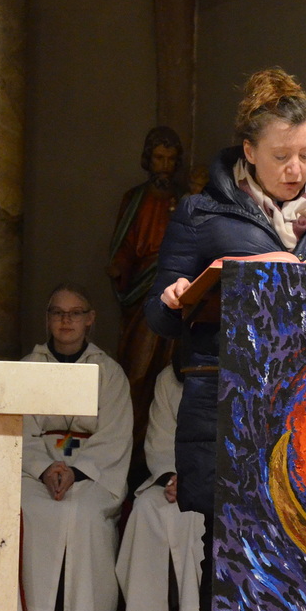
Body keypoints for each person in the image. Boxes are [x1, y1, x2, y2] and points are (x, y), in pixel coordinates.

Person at [144, 67, 306, 611]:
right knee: (231, 553)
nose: (297, 168)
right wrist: (174, 298)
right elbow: (157, 317)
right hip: (231, 404)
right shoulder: (200, 213)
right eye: (281, 156)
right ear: (248, 151)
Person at [19, 283, 132, 611]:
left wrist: (75, 471)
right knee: (35, 509)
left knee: (83, 512)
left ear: (90, 319)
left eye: (75, 313)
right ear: (47, 319)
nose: (66, 321)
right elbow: (19, 428)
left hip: (93, 472)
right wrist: (44, 467)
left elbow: (115, 435)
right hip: (35, 471)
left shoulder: (109, 372)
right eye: (58, 313)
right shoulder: (27, 368)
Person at [106, 126, 185, 471]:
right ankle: (131, 454)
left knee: (166, 372)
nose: (164, 166)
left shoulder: (183, 200)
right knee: (136, 371)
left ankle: (156, 457)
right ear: (148, 160)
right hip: (141, 293)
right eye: (158, 158)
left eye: (170, 159)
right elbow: (124, 243)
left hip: (173, 291)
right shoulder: (135, 198)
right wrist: (121, 265)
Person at [114, 362, 204, 611]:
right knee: (146, 507)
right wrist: (172, 477)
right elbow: (160, 438)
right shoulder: (170, 377)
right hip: (174, 478)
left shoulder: (236, 371)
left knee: (194, 514)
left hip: (216, 481)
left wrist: (196, 478)